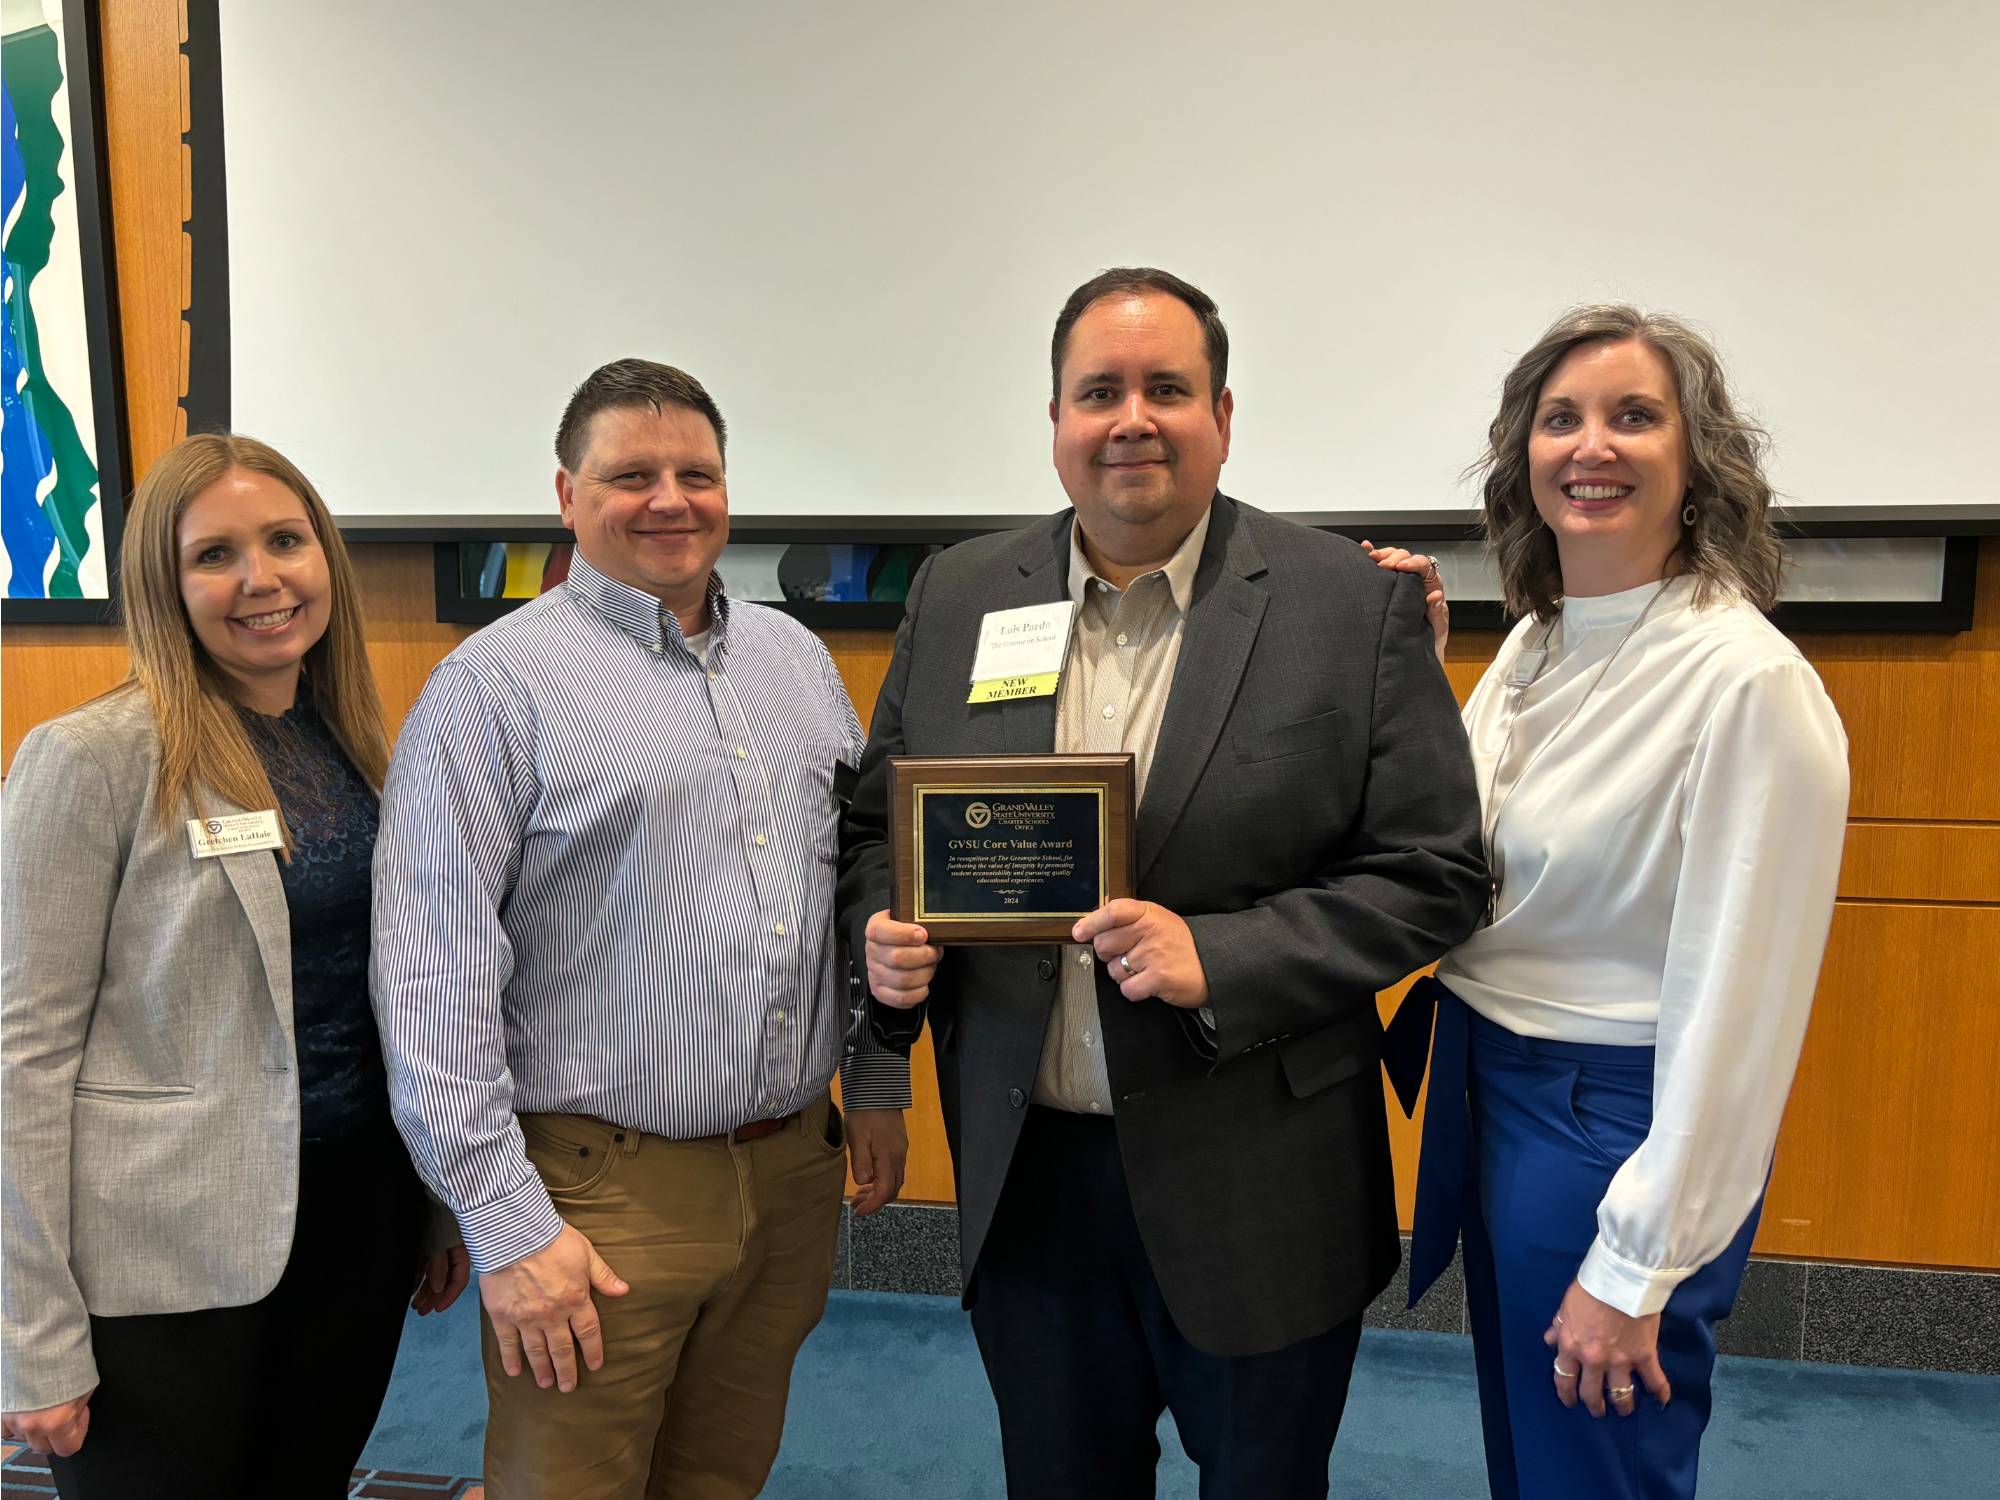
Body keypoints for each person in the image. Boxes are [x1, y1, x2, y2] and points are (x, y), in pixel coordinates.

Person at [839, 268, 1488, 1498]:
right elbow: (879, 825)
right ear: (1054, 424)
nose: (1129, 418)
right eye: (1097, 391)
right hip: (1026, 1182)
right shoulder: (962, 592)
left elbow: (1433, 873)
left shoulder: (1346, 605)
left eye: (1165, 388)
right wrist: (880, 926)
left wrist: (1224, 958)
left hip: (1257, 1179)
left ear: (1222, 416)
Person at [370, 358, 912, 1500]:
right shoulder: (493, 689)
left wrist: (873, 1084)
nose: (670, 498)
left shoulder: (797, 662)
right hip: (596, 1192)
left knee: (720, 1478)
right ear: (567, 497)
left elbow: (849, 897)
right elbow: (431, 980)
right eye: (630, 475)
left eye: (695, 473)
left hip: (786, 1173)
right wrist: (506, 1225)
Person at [1368, 304, 1850, 1499]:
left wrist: (1636, 1265)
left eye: (1635, 417)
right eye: (1559, 419)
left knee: (1598, 1464)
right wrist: (1418, 677)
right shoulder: (1537, 641)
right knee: (1536, 1456)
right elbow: (1482, 862)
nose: (1591, 446)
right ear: (1520, 457)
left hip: (1609, 1126)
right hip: (1494, 1090)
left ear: (1697, 463)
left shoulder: (1745, 684)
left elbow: (1737, 1017)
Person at [0, 433, 469, 1499]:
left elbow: (391, 989)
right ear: (162, 588)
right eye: (214, 555)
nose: (261, 579)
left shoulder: (350, 741)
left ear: (326, 561)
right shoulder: (91, 758)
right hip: (161, 1249)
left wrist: (434, 1204)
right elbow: (18, 1057)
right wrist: (29, 1332)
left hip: (353, 1211)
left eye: (285, 541)